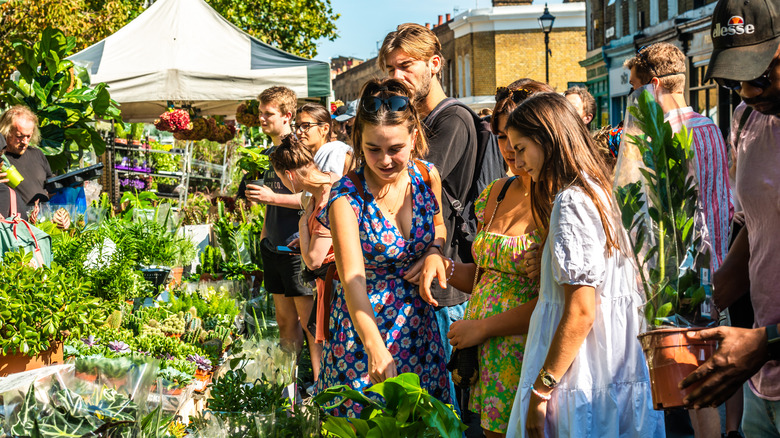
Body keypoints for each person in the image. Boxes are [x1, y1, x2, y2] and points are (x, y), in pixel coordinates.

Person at [502, 93, 663, 438]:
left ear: (547, 139)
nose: (516, 161)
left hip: (580, 374)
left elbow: (581, 310)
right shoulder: (599, 189)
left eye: (521, 148)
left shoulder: (572, 200)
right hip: (611, 368)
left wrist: (542, 387)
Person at [416, 81, 551, 437]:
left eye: (515, 138)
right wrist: (442, 266)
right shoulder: (497, 192)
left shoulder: (557, 199)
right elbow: (486, 277)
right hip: (484, 355)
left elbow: (558, 299)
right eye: (501, 137)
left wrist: (482, 328)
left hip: (529, 350)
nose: (508, 148)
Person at [314, 78, 451, 416]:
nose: (385, 160)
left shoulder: (426, 175)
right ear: (358, 140)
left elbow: (439, 226)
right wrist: (375, 347)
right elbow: (352, 280)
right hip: (364, 332)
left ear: (414, 138)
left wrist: (434, 250)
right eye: (373, 149)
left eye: (395, 149)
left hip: (419, 328)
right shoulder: (346, 197)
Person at [680, 1, 780, 436]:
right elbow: (753, 228)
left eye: (759, 74)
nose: (748, 92)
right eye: (734, 80)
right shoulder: (745, 121)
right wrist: (706, 301)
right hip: (763, 381)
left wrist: (766, 341)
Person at [623, 42, 732, 438]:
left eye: (635, 89)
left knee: (682, 388)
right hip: (722, 272)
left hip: (677, 282)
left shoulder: (656, 136)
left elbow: (647, 215)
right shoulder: (711, 131)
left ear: (652, 85)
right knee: (718, 376)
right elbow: (725, 204)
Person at [379, 23, 478, 412]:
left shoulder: (451, 120)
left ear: (434, 64)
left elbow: (408, 182)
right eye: (390, 69)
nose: (397, 77)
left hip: (444, 279)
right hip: (419, 276)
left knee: (443, 405)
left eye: (406, 66)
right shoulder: (416, 121)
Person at [242, 86, 318, 381]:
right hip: (273, 245)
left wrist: (272, 199)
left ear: (287, 116)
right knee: (285, 322)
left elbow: (312, 197)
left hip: (297, 248)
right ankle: (289, 385)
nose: (261, 118)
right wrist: (263, 235)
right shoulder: (265, 154)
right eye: (260, 112)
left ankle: (318, 385)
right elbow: (270, 201)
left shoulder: (299, 150)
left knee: (309, 324)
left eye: (267, 113)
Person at [269, 135, 338, 350]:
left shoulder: (325, 199)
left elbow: (314, 261)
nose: (282, 184)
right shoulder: (329, 180)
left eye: (280, 179)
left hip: (339, 289)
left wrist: (302, 224)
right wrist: (305, 239)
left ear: (289, 175)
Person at [0, 106, 53, 206]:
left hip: (42, 217)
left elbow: (50, 187)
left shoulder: (37, 154)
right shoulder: (1, 159)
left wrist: (69, 185)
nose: (25, 142)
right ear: (6, 131)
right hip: (15, 220)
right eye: (19, 136)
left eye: (28, 136)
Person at [295, 103, 353, 177]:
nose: (298, 132)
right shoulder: (300, 160)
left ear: (325, 129)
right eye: (297, 126)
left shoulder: (340, 155)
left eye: (306, 126)